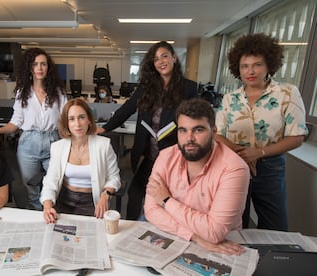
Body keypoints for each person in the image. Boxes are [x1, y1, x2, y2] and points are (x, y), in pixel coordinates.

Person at [215, 33, 308, 231]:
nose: (251, 71)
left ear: (269, 65)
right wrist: (242, 152)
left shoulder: (287, 93)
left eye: (257, 64)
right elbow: (218, 134)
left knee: (276, 227)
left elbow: (297, 137)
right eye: (244, 66)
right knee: (234, 224)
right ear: (237, 69)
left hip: (270, 167)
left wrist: (259, 152)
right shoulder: (230, 99)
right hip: (235, 164)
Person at [96, 41, 198, 220]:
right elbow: (127, 109)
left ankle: (164, 231)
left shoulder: (188, 88)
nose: (161, 61)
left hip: (173, 155)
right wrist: (105, 127)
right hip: (148, 153)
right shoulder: (146, 87)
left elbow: (195, 117)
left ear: (174, 58)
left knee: (167, 196)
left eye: (164, 56)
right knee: (135, 193)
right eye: (156, 59)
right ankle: (132, 228)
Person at [144, 98, 250, 255]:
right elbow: (151, 210)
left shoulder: (235, 169)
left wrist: (166, 201)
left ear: (214, 132)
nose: (189, 138)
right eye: (183, 130)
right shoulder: (166, 156)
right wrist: (194, 236)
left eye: (198, 130)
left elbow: (214, 232)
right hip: (181, 238)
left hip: (222, 247)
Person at [0, 48, 67, 210]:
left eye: (43, 64)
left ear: (49, 68)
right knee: (31, 188)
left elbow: (64, 120)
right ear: (29, 68)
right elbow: (16, 123)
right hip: (28, 142)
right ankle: (36, 217)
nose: (40, 68)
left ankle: (52, 214)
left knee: (55, 184)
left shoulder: (58, 92)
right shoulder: (22, 93)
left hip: (53, 141)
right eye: (35, 64)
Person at [41, 99, 121, 224]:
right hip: (64, 200)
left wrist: (105, 195)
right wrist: (47, 207)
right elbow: (51, 180)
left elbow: (114, 177)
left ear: (89, 120)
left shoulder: (104, 145)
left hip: (92, 201)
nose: (77, 124)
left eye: (81, 117)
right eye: (71, 119)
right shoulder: (58, 147)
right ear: (66, 123)